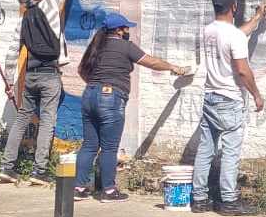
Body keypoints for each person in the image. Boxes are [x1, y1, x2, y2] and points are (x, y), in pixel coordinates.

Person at [0, 0, 88, 186]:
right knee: (48, 120)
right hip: (50, 76)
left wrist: (11, 84)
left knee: (21, 120)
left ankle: (7, 167)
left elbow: (12, 52)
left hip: (31, 78)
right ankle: (38, 172)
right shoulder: (49, 5)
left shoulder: (23, 21)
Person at [74, 13, 190, 202]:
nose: (128, 31)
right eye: (126, 28)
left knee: (89, 145)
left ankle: (78, 188)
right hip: (110, 97)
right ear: (119, 30)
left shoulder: (96, 46)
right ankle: (109, 191)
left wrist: (96, 86)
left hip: (89, 94)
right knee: (109, 147)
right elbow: (150, 61)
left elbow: (81, 70)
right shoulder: (125, 46)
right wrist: (173, 67)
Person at [191, 0, 266, 216]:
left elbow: (236, 35)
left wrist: (256, 18)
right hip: (230, 99)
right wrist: (256, 94)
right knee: (231, 151)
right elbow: (243, 70)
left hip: (210, 96)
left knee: (206, 149)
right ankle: (229, 200)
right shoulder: (233, 36)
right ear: (234, 6)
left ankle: (200, 199)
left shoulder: (207, 31)